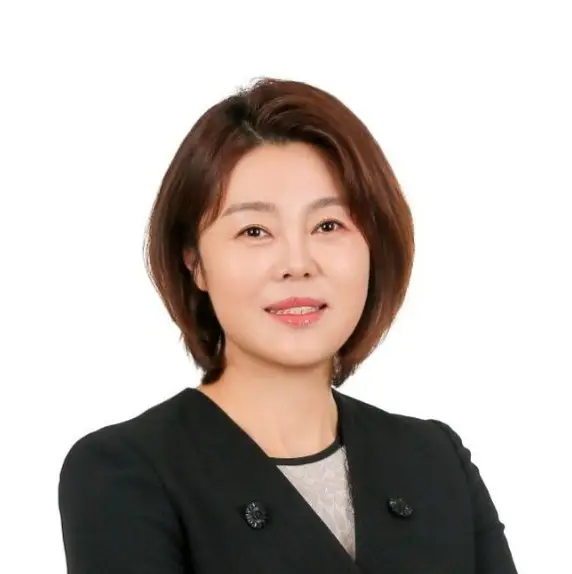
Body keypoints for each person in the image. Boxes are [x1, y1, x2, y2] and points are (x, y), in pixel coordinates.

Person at [58, 77, 519, 573]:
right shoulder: (123, 472)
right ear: (195, 263)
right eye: (254, 231)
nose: (297, 264)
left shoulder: (435, 460)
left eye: (328, 226)